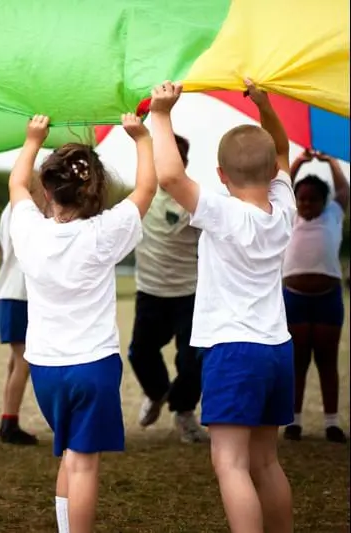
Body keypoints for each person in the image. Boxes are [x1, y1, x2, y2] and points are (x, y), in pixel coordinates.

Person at [151, 79, 295, 533]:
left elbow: (171, 177)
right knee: (266, 462)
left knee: (230, 464)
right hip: (277, 349)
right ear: (273, 169)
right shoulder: (284, 205)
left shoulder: (222, 212)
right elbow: (285, 153)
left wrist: (160, 115)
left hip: (234, 351)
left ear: (220, 175)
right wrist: (267, 108)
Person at [8, 112, 156, 533]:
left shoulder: (30, 230)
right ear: (93, 188)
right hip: (93, 366)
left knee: (70, 455)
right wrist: (142, 137)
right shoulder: (104, 232)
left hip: (46, 370)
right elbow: (147, 187)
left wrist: (32, 139)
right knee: (84, 464)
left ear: (48, 187)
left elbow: (17, 185)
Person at [129, 133, 209, 443]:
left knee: (192, 359)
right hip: (149, 292)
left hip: (188, 294)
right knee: (140, 353)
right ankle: (158, 391)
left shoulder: (195, 200)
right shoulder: (143, 195)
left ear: (183, 163)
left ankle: (185, 412)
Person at [282, 150, 349, 443]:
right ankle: (294, 421)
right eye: (302, 199)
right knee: (297, 362)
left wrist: (330, 161)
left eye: (313, 199)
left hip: (327, 299)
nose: (307, 204)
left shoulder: (333, 214)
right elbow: (282, 183)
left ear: (325, 201)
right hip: (294, 299)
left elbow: (344, 189)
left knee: (326, 360)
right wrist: (299, 161)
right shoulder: (290, 217)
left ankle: (332, 422)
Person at [0, 201, 38, 446]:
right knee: (24, 360)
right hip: (20, 293)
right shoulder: (24, 211)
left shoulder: (10, 209)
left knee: (16, 359)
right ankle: (9, 422)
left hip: (12, 292)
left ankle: (8, 418)